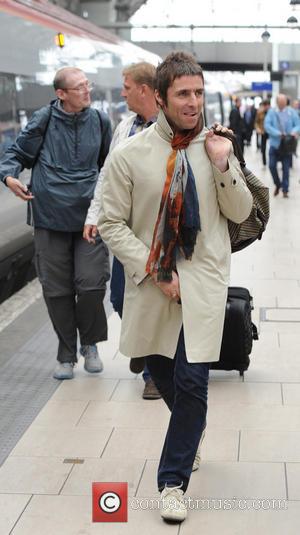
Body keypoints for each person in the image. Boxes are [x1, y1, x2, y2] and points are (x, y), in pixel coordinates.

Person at [98, 51, 253, 523]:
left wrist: (225, 165)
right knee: (161, 375)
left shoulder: (215, 146)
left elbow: (242, 213)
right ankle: (191, 431)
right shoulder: (130, 156)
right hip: (153, 284)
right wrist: (156, 271)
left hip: (203, 287)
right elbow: (110, 222)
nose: (194, 102)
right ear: (161, 98)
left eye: (199, 93)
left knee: (192, 381)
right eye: (183, 94)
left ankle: (172, 481)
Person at [0, 67, 111, 380]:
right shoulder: (43, 120)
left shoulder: (100, 121)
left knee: (91, 284)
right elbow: (17, 152)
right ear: (61, 94)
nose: (87, 91)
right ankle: (66, 353)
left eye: (87, 84)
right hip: (49, 216)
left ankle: (89, 343)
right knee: (57, 289)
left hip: (89, 216)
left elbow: (107, 165)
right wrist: (8, 177)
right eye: (79, 87)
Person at [84, 62, 161, 400]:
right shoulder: (125, 127)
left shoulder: (168, 127)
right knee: (118, 298)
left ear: (144, 89)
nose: (122, 92)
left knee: (151, 302)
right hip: (123, 233)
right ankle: (141, 346)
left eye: (126, 86)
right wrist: (94, 215)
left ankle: (153, 375)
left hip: (156, 233)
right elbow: (107, 175)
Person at [264, 93, 300, 198]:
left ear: (286, 102)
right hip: (275, 144)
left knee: (286, 169)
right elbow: (267, 125)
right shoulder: (271, 112)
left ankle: (285, 189)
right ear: (277, 102)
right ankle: (277, 183)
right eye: (280, 103)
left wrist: (293, 131)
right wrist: (278, 133)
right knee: (271, 166)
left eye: (284, 103)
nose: (282, 105)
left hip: (287, 145)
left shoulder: (291, 112)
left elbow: (298, 124)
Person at [254, 99, 270, 166]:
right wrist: (258, 128)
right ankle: (264, 162)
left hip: (271, 133)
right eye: (265, 105)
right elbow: (256, 122)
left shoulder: (272, 113)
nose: (266, 107)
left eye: (267, 105)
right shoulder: (259, 113)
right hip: (263, 132)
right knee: (263, 147)